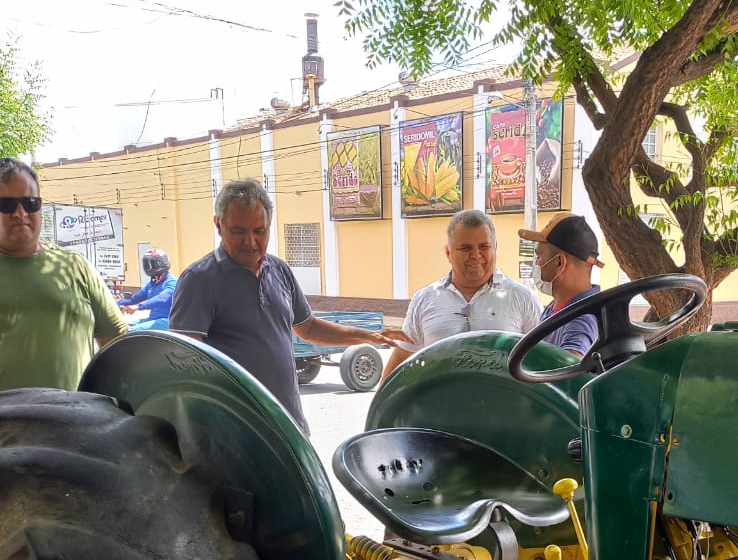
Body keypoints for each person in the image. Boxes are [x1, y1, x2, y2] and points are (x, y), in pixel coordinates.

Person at [168, 178, 405, 431]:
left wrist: (368, 336)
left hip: (288, 426)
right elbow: (185, 365)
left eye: (259, 231)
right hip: (235, 433)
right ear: (218, 225)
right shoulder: (198, 280)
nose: (250, 242)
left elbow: (309, 328)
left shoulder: (279, 270)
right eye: (238, 231)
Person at [0, 157, 128, 391]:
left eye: (30, 203)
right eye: (6, 205)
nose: (20, 213)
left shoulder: (75, 266)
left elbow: (118, 344)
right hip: (8, 426)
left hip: (78, 422)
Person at [380, 209, 541, 383]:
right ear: (448, 253)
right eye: (465, 248)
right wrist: (380, 407)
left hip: (503, 407)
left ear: (495, 247)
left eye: (484, 247)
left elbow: (545, 360)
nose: (476, 255)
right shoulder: (424, 300)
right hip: (440, 408)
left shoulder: (523, 299)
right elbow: (400, 360)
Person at [520, 213, 604, 358]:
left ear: (559, 262)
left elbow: (571, 366)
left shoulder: (582, 317)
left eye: (539, 257)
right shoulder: (555, 308)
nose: (536, 264)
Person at [117, 247, 178, 327]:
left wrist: (138, 307)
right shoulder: (152, 284)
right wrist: (115, 304)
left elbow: (162, 298)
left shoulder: (172, 282)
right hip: (153, 320)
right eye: (147, 264)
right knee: (122, 327)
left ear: (161, 264)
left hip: (167, 322)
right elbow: (133, 299)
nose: (149, 267)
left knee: (131, 332)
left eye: (152, 264)